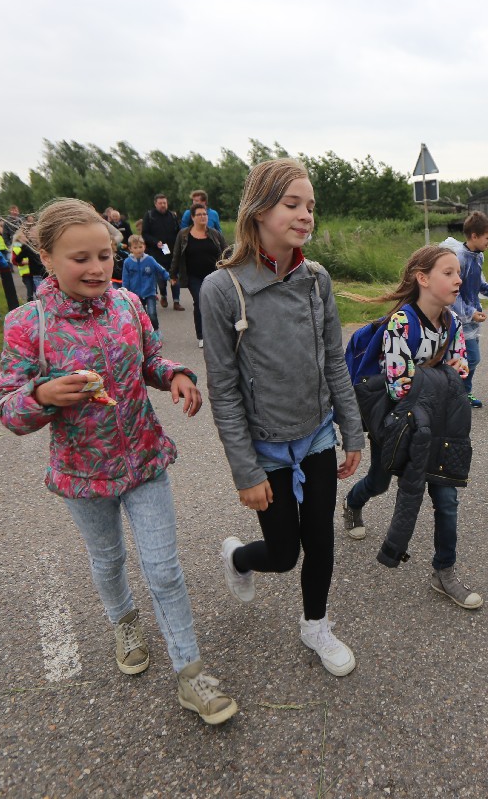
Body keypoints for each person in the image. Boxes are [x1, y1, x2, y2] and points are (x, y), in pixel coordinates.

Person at [0, 198, 237, 726]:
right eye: (80, 258)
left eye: (105, 255)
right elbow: (9, 409)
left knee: (164, 569)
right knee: (107, 561)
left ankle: (191, 673)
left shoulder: (127, 304)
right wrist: (42, 395)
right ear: (46, 258)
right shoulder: (27, 324)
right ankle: (124, 622)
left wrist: (175, 375)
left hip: (144, 458)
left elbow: (151, 359)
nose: (97, 268)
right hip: (82, 473)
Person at [197, 158, 365, 677]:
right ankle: (238, 558)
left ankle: (316, 626)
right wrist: (245, 472)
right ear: (258, 210)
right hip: (265, 448)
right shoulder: (221, 289)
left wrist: (352, 430)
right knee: (284, 553)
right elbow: (223, 390)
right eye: (292, 204)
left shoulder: (317, 279)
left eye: (310, 206)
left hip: (316, 436)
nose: (306, 215)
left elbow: (334, 360)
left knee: (321, 540)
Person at [341, 245, 483, 609]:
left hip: (440, 427)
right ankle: (352, 503)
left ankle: (444, 572)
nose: (458, 279)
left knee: (446, 499)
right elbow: (399, 387)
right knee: (379, 481)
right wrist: (446, 374)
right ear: (423, 279)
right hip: (399, 424)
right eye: (448, 273)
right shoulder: (402, 323)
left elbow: (461, 371)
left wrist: (448, 372)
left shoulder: (453, 322)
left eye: (458, 272)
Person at [441, 212, 488, 408]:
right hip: (460, 319)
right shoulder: (461, 259)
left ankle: (463, 393)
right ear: (474, 236)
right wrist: (469, 313)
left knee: (468, 359)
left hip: (472, 317)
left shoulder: (478, 256)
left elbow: (478, 284)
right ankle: (455, 392)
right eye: (487, 237)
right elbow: (454, 292)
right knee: (472, 358)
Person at [171, 203, 228, 348]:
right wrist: (173, 274)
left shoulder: (215, 234)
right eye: (199, 214)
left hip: (214, 275)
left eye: (205, 214)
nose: (203, 217)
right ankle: (202, 335)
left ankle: (217, 333)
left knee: (215, 303)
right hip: (193, 276)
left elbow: (227, 252)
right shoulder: (183, 235)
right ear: (192, 217)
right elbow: (176, 255)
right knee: (200, 301)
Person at [121, 235, 170, 330]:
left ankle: (156, 331)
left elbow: (160, 269)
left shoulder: (149, 259)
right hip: (135, 295)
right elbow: (125, 278)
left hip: (149, 292)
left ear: (144, 246)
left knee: (152, 313)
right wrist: (125, 293)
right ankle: (145, 332)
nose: (138, 250)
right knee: (141, 316)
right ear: (130, 249)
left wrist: (169, 277)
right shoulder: (127, 262)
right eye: (135, 247)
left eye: (140, 247)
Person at [142, 194, 181, 310]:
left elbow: (178, 231)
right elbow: (145, 234)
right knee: (161, 277)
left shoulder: (172, 216)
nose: (163, 205)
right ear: (155, 204)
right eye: (160, 203)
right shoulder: (150, 216)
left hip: (172, 252)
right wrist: (155, 242)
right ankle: (163, 295)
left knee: (174, 275)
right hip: (157, 252)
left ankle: (176, 301)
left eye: (165, 203)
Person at [11, 220, 46, 300]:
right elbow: (17, 259)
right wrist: (22, 262)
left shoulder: (43, 243)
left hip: (46, 272)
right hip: (36, 273)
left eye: (37, 230)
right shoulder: (27, 246)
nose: (36, 233)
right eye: (34, 231)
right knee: (40, 295)